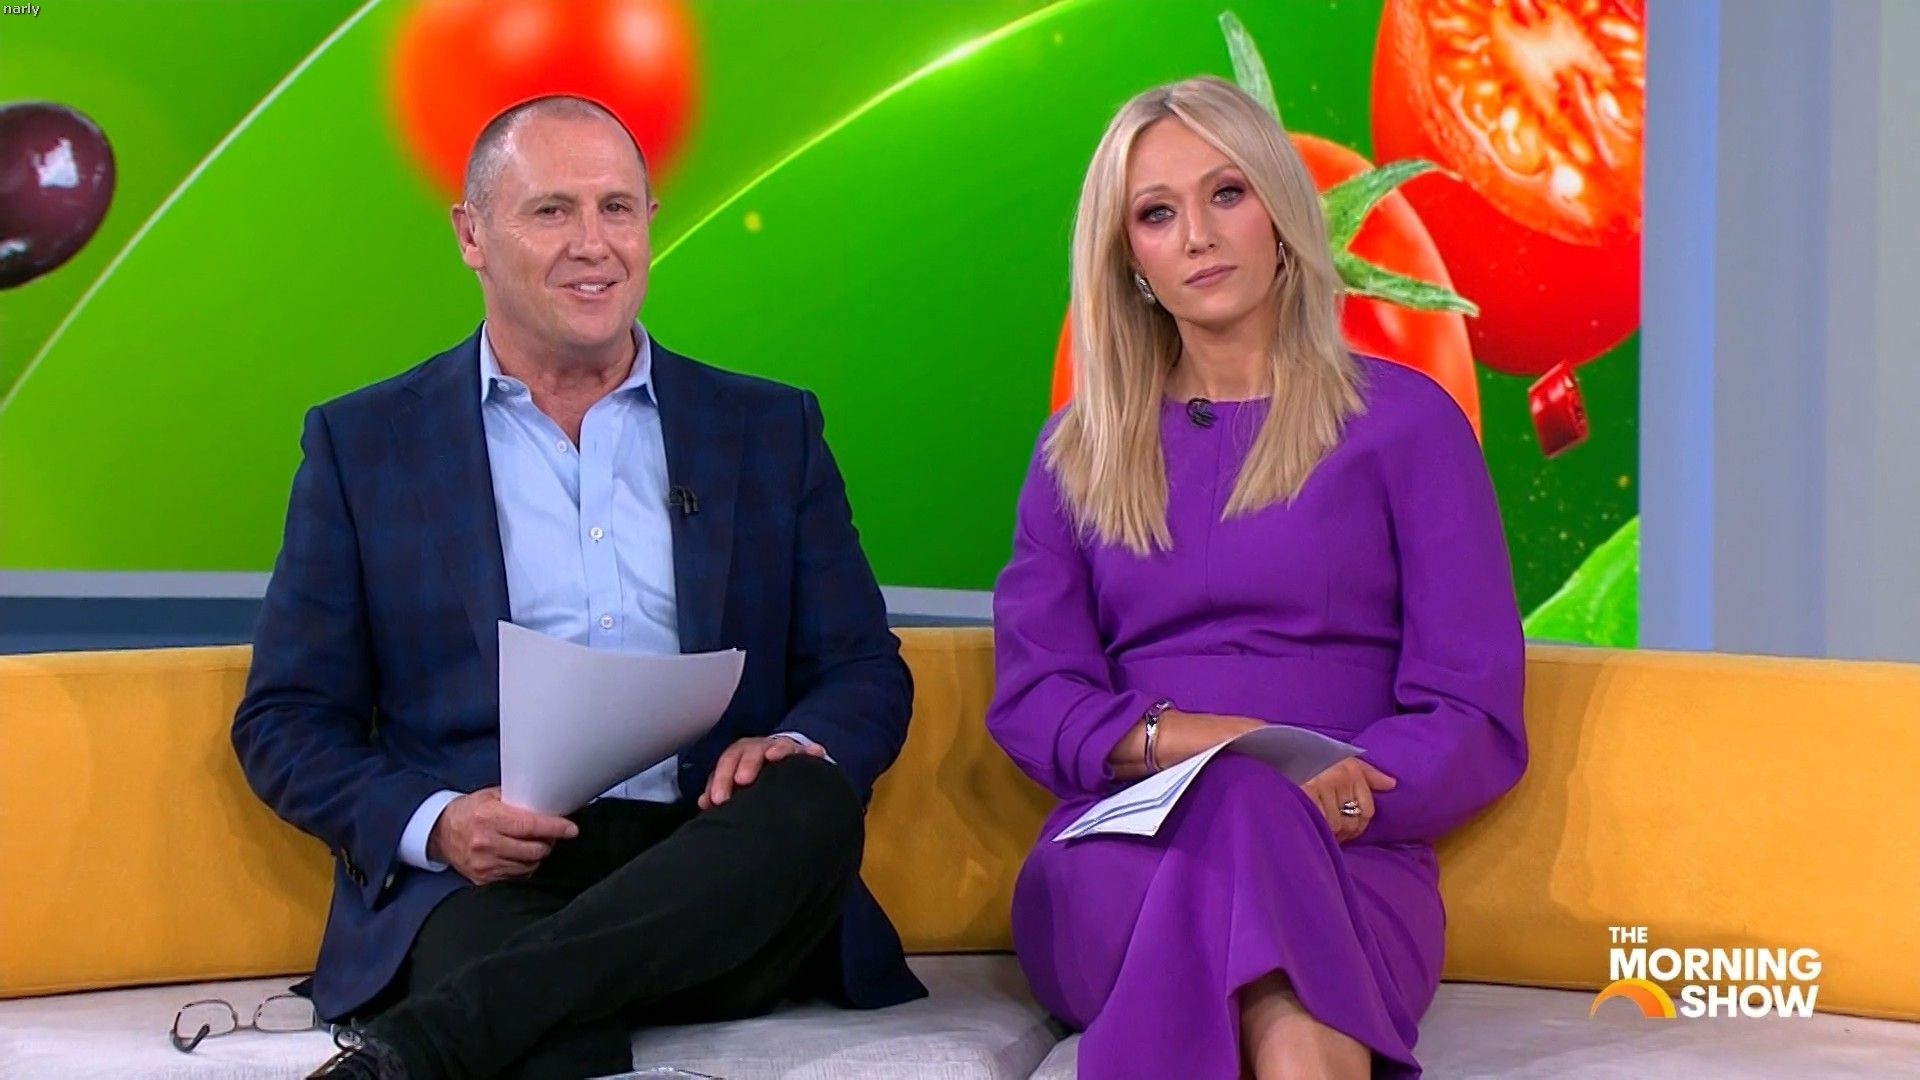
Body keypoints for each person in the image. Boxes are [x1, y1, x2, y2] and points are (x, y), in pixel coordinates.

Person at [232, 95, 925, 1080]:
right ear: (471, 235)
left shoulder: (768, 429)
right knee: (529, 1013)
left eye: (617, 209)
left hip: (720, 863)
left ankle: (421, 1050)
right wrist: (440, 824)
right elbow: (286, 720)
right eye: (551, 211)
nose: (593, 245)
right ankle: (523, 1006)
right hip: (499, 881)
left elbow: (862, 669)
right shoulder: (366, 446)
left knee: (809, 799)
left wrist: (793, 743)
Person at [985, 76, 1527, 1079]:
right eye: (1156, 214)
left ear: (1279, 209)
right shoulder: (1077, 453)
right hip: (1118, 869)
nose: (1197, 235)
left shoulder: (1408, 427)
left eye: (1226, 193)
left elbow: (1472, 712)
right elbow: (1034, 699)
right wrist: (1223, 746)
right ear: (1129, 259)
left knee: (1255, 820)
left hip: (1345, 858)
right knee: (1244, 801)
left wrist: (1335, 797)